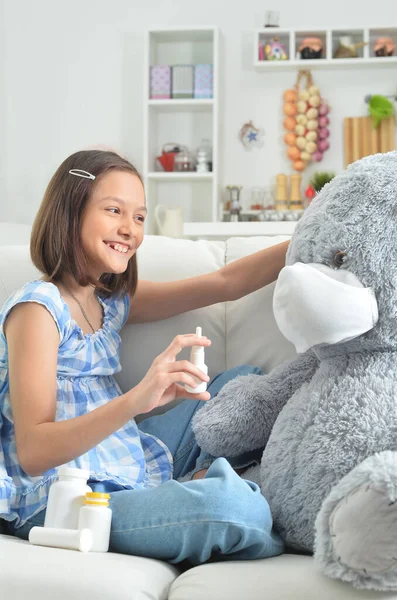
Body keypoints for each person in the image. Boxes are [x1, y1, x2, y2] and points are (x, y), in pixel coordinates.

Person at [0, 149, 288, 565]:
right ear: (70, 211)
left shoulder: (110, 301)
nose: (129, 229)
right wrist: (138, 399)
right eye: (114, 210)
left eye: (138, 217)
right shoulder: (38, 310)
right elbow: (33, 451)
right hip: (68, 497)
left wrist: (311, 237)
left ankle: (199, 481)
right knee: (231, 510)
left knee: (244, 383)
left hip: (127, 462)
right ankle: (214, 492)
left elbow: (225, 282)